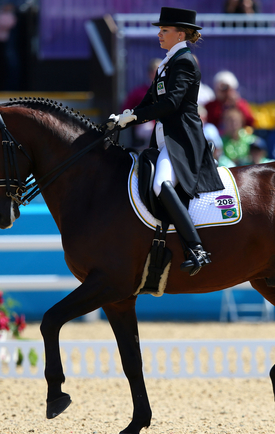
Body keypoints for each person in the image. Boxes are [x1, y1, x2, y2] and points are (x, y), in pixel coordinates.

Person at [107, 7, 224, 276]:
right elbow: (150, 101)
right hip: (163, 140)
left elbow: (171, 103)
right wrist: (123, 117)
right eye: (159, 30)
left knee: (161, 184)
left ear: (180, 33)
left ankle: (196, 248)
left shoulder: (185, 61)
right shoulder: (167, 63)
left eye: (164, 30)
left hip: (181, 140)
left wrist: (134, 116)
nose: (159, 34)